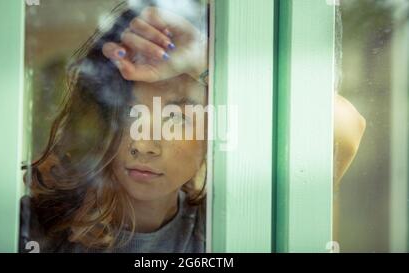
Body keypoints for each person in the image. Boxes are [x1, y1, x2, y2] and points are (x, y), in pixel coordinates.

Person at [20, 3, 365, 253]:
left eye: (177, 117)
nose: (146, 144)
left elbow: (346, 126)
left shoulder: (228, 229)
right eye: (128, 114)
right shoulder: (34, 229)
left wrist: (205, 59)